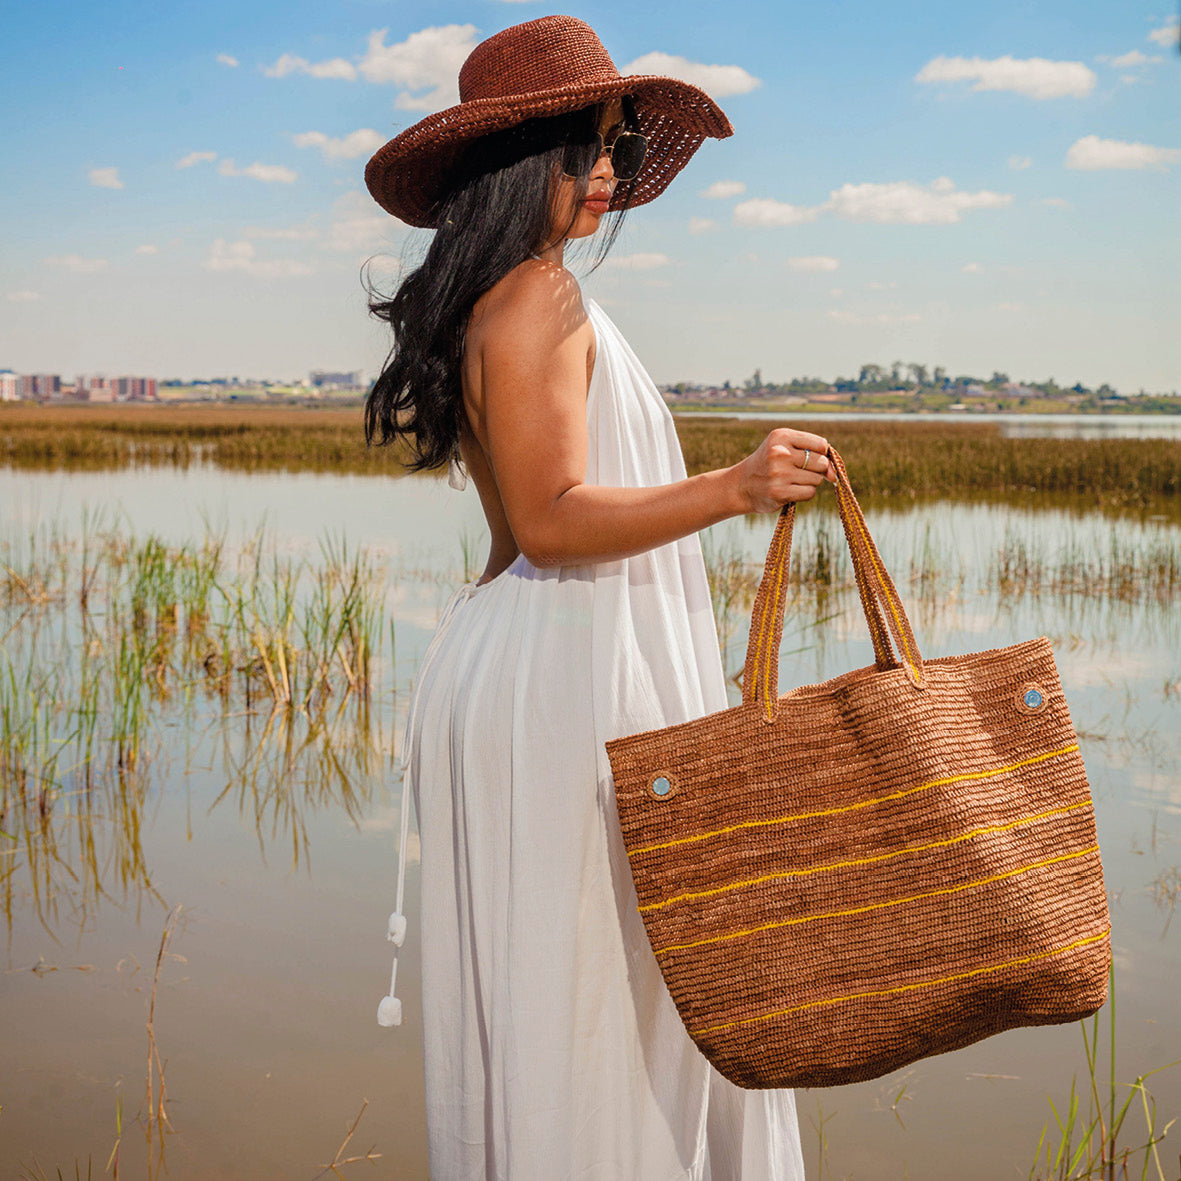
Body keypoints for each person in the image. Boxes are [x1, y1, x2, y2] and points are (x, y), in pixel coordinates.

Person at [364, 15, 833, 1179]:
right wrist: (733, 485)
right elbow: (548, 519)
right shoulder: (534, 301)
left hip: (547, 661)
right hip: (561, 675)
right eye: (593, 144)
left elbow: (520, 532)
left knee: (585, 992)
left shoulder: (522, 298)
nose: (612, 171)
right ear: (530, 160)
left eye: (620, 144)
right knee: (595, 995)